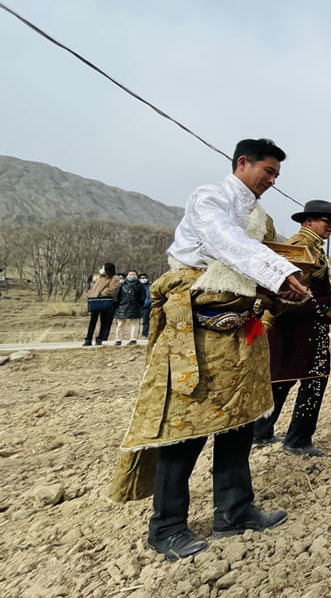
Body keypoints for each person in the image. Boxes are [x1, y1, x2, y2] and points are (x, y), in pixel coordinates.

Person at [108, 138, 310, 561]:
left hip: (242, 334)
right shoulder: (210, 198)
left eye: (277, 175)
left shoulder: (262, 219)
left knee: (239, 422)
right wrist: (280, 271)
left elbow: (263, 261)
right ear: (243, 163)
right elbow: (225, 241)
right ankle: (166, 528)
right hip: (197, 333)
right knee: (186, 428)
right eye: (268, 172)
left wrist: (287, 289)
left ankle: (234, 512)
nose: (272, 181)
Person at [254, 199, 331, 457]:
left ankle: (260, 432)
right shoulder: (299, 246)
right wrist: (327, 306)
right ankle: (298, 440)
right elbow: (290, 290)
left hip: (303, 326)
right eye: (326, 221)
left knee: (281, 379)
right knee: (312, 380)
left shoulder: (313, 247)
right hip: (298, 325)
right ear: (308, 221)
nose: (330, 226)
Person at [83, 263, 120, 346]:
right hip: (95, 300)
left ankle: (100, 338)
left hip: (104, 300)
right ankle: (88, 339)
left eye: (103, 268)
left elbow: (112, 289)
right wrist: (90, 294)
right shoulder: (100, 277)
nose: (102, 269)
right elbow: (94, 288)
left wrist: (102, 294)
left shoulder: (114, 278)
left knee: (104, 321)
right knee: (92, 320)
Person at [113, 270, 146, 346]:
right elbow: (116, 296)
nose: (132, 276)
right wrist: (117, 305)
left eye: (133, 274)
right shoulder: (121, 285)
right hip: (122, 306)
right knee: (120, 324)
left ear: (136, 276)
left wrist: (139, 304)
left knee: (135, 323)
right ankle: (118, 340)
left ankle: (133, 339)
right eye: (130, 274)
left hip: (135, 306)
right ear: (127, 276)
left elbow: (142, 297)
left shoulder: (140, 285)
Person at [138, 273, 152, 338]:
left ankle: (145, 334)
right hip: (138, 306)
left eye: (145, 278)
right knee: (136, 322)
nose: (144, 279)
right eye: (142, 278)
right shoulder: (137, 286)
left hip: (147, 306)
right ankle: (135, 335)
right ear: (139, 279)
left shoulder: (150, 286)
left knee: (146, 321)